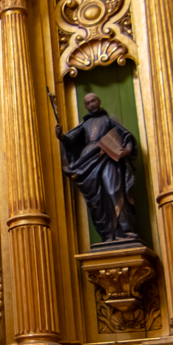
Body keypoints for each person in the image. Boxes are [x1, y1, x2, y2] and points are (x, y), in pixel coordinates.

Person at [56, 92, 141, 243]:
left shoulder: (107, 120)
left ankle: (125, 231)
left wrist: (126, 150)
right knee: (97, 200)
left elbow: (125, 135)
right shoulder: (85, 124)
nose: (91, 105)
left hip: (107, 156)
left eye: (93, 101)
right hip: (88, 162)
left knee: (114, 191)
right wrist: (61, 136)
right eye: (87, 103)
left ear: (99, 101)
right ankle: (108, 234)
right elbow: (71, 139)